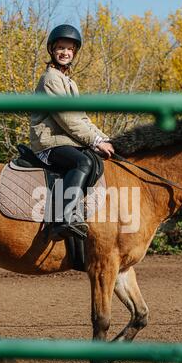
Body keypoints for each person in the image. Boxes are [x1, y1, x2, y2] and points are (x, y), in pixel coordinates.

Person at [30, 24, 114, 240]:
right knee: (82, 163)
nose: (65, 53)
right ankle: (62, 219)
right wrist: (94, 140)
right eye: (60, 48)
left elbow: (82, 118)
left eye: (69, 49)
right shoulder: (50, 79)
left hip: (65, 141)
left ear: (74, 52)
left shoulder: (69, 82)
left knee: (94, 159)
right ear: (52, 50)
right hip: (49, 144)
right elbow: (67, 118)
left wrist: (105, 139)